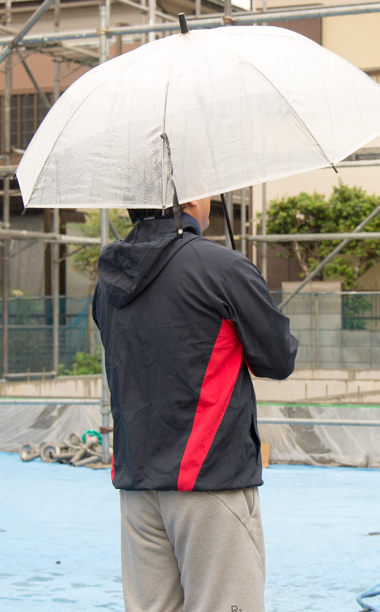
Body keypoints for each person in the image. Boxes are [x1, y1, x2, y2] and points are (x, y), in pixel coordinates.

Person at [92, 198, 298, 612]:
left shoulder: (108, 279)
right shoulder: (221, 266)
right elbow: (278, 359)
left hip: (137, 480)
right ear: (188, 199)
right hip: (208, 478)